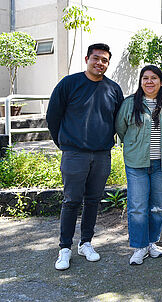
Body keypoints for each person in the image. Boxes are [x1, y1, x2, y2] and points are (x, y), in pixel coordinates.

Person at [47, 43, 124, 270]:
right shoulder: (69, 84)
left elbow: (119, 120)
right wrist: (63, 144)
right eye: (96, 58)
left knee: (93, 200)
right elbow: (53, 117)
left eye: (105, 60)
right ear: (87, 59)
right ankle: (64, 248)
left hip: (101, 154)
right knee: (71, 200)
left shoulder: (113, 89)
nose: (100, 63)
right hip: (74, 154)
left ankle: (86, 242)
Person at [115, 65, 162, 265]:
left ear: (161, 82)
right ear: (140, 81)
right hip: (136, 163)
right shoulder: (129, 104)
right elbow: (121, 130)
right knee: (137, 207)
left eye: (153, 78)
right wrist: (136, 147)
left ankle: (152, 242)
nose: (149, 82)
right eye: (145, 78)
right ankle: (139, 246)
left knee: (159, 206)